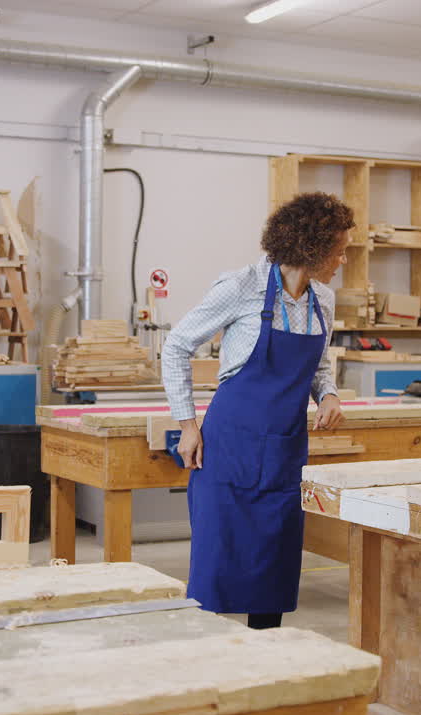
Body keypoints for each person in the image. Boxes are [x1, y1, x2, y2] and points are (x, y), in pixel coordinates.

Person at [161, 191, 350, 630]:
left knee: (275, 560)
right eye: (338, 251)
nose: (342, 260)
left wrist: (329, 395)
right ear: (312, 245)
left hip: (284, 450)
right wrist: (187, 424)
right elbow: (176, 345)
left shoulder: (323, 300)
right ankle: (214, 670)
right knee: (218, 561)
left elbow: (320, 364)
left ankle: (266, 661)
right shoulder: (240, 286)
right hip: (228, 446)